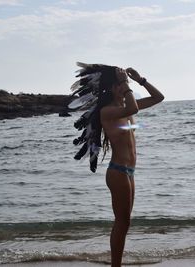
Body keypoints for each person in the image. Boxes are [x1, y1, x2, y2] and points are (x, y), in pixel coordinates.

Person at [70, 63, 164, 267]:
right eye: (120, 84)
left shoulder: (123, 109)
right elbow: (134, 108)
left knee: (125, 222)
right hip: (118, 172)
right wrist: (125, 84)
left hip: (129, 173)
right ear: (112, 88)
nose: (124, 86)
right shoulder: (108, 111)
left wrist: (141, 80)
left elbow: (159, 98)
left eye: (125, 83)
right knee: (122, 222)